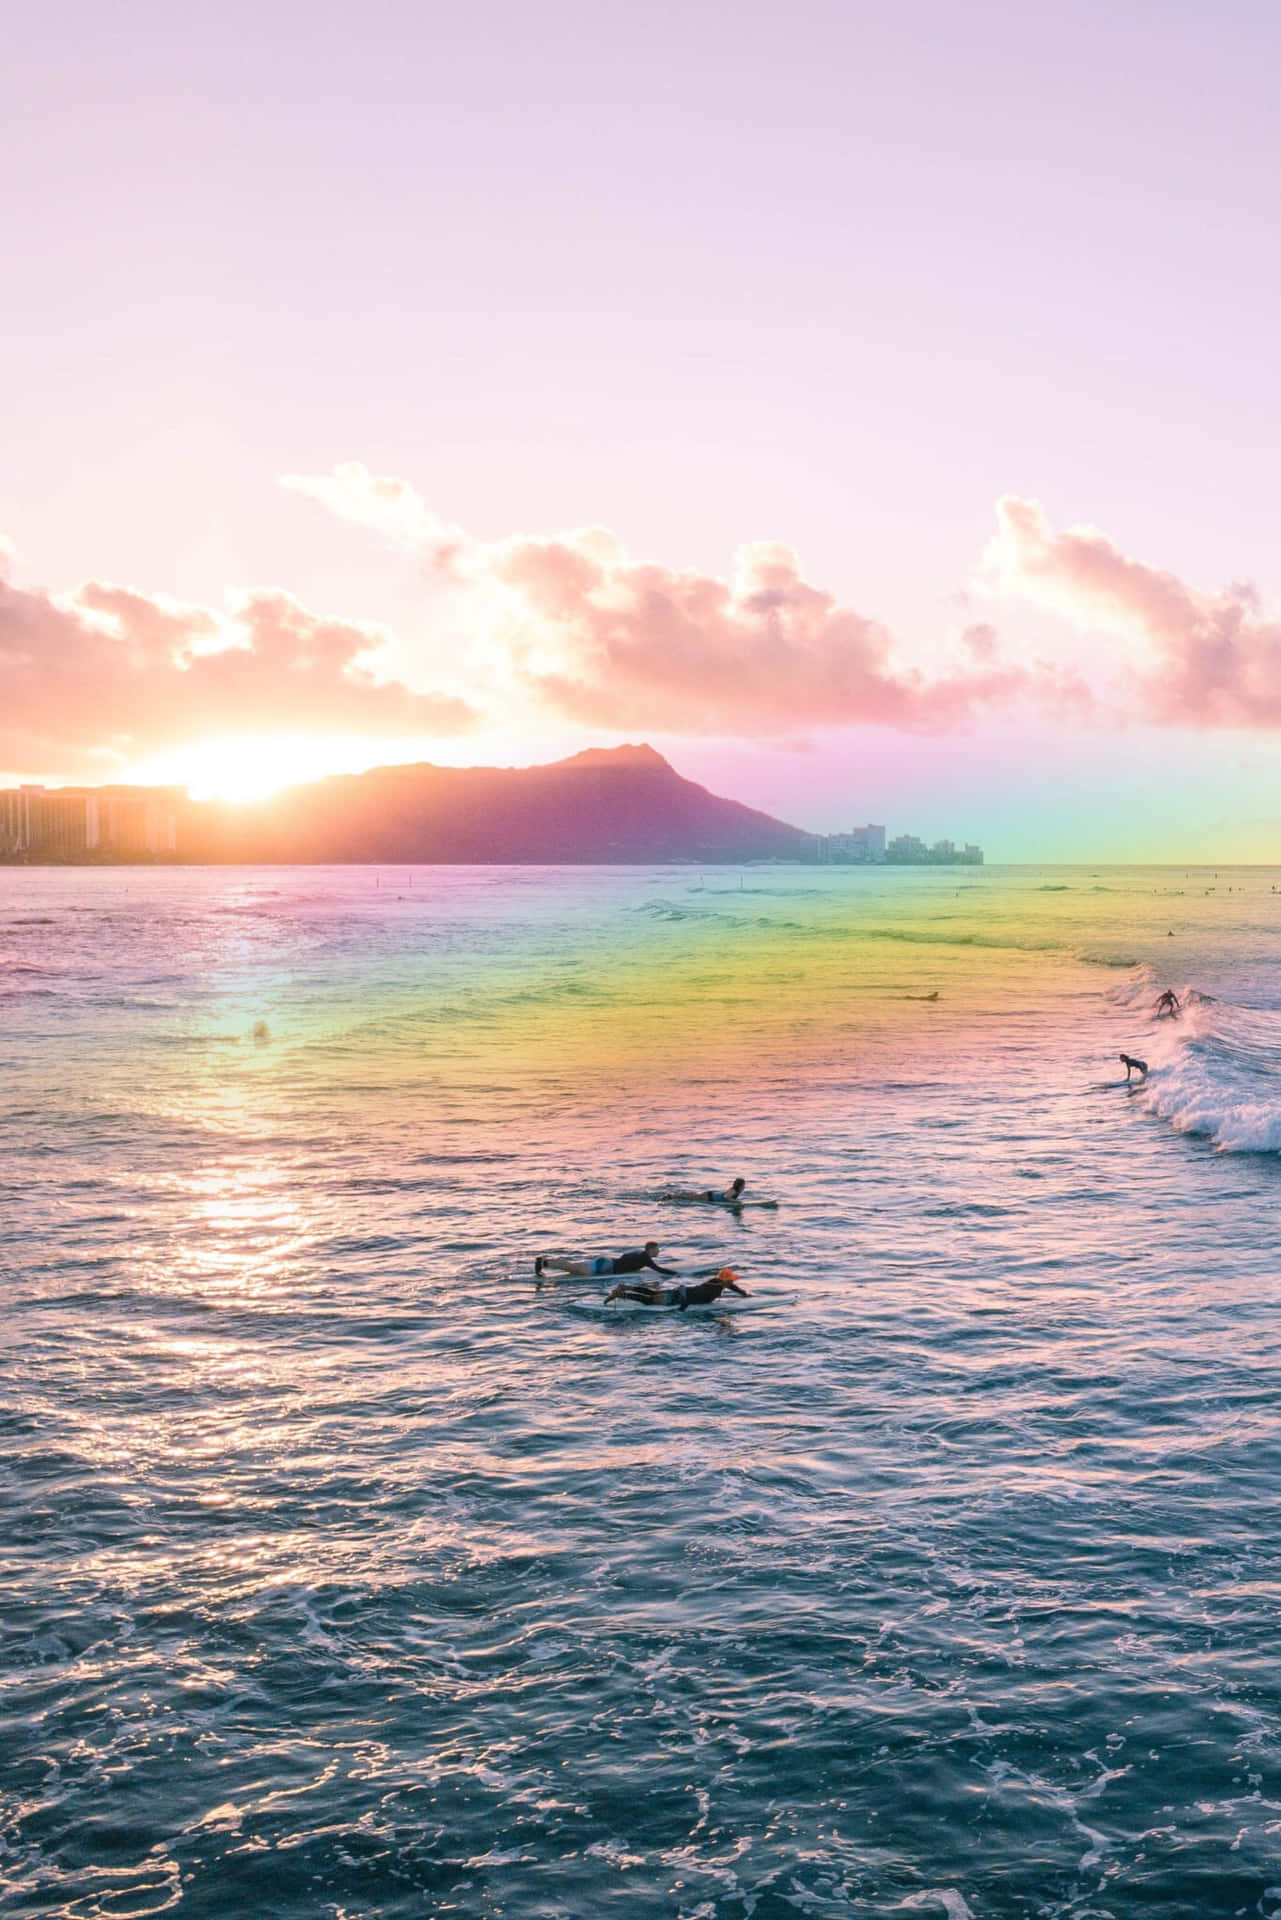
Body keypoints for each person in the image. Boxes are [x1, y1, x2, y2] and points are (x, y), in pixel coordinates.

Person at [604, 1266, 748, 1309]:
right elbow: (694, 1296)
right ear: (725, 1280)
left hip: (677, 1291)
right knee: (648, 1300)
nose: (731, 1282)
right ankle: (620, 1295)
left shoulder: (716, 1281)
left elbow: (732, 1287)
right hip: (676, 1298)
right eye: (730, 1280)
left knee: (652, 1293)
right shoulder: (713, 1289)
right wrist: (682, 1309)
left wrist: (743, 1294)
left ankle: (625, 1287)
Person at [535, 1241, 678, 1280]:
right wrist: (676, 1274)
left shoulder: (639, 1253)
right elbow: (659, 1270)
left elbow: (624, 1256)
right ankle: (545, 1262)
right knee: (572, 1268)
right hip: (605, 1267)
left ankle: (546, 1262)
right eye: (657, 1249)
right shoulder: (645, 1258)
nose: (659, 1251)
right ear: (651, 1249)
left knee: (573, 1267)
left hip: (606, 1262)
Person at [659, 1177, 747, 1203]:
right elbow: (725, 1197)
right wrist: (736, 1202)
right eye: (744, 1185)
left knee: (692, 1196)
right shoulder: (733, 1191)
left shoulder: (734, 1191)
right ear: (740, 1186)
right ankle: (672, 1196)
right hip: (709, 1197)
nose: (744, 1187)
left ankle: (675, 1195)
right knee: (690, 1198)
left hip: (711, 1195)